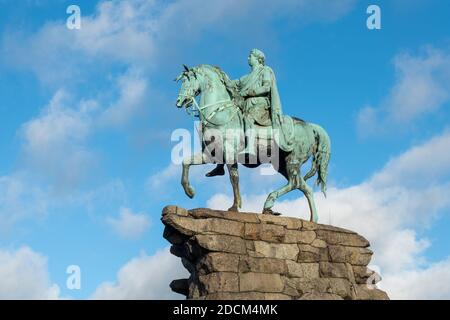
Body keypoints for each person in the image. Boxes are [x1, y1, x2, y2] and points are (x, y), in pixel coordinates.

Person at [206, 48, 285, 177]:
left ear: (258, 59)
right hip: (247, 105)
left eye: (250, 56)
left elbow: (266, 87)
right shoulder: (246, 77)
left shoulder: (265, 71)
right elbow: (232, 84)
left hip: (259, 105)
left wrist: (248, 92)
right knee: (229, 125)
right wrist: (220, 75)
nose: (248, 58)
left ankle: (250, 148)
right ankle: (220, 165)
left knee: (247, 118)